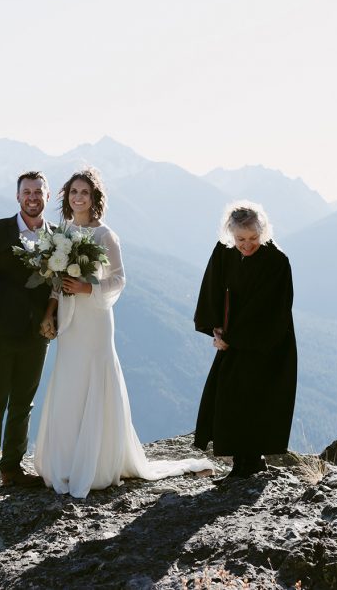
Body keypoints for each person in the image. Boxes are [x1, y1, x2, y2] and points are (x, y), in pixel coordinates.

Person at [33, 168, 213, 498]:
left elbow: (119, 279)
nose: (78, 198)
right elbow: (56, 281)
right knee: (70, 379)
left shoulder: (106, 236)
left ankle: (98, 462)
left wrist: (89, 287)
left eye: (84, 193)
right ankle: (67, 460)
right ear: (67, 197)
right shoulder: (62, 232)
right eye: (73, 192)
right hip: (70, 320)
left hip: (96, 317)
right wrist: (51, 311)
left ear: (94, 198)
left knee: (94, 376)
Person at [193, 201, 298, 482]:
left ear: (263, 232)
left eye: (253, 238)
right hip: (232, 338)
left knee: (256, 399)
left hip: (267, 343)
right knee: (228, 398)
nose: (247, 245)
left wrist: (232, 338)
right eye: (240, 239)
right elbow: (212, 290)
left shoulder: (276, 261)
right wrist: (215, 329)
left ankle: (253, 462)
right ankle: (240, 464)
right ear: (230, 234)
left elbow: (270, 309)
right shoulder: (224, 251)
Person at [0, 171, 53, 502]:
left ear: (46, 197)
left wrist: (52, 320)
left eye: (38, 192)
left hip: (36, 336)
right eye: (26, 192)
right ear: (18, 197)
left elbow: (58, 287)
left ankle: (12, 469)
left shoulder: (57, 237)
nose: (32, 197)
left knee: (23, 403)